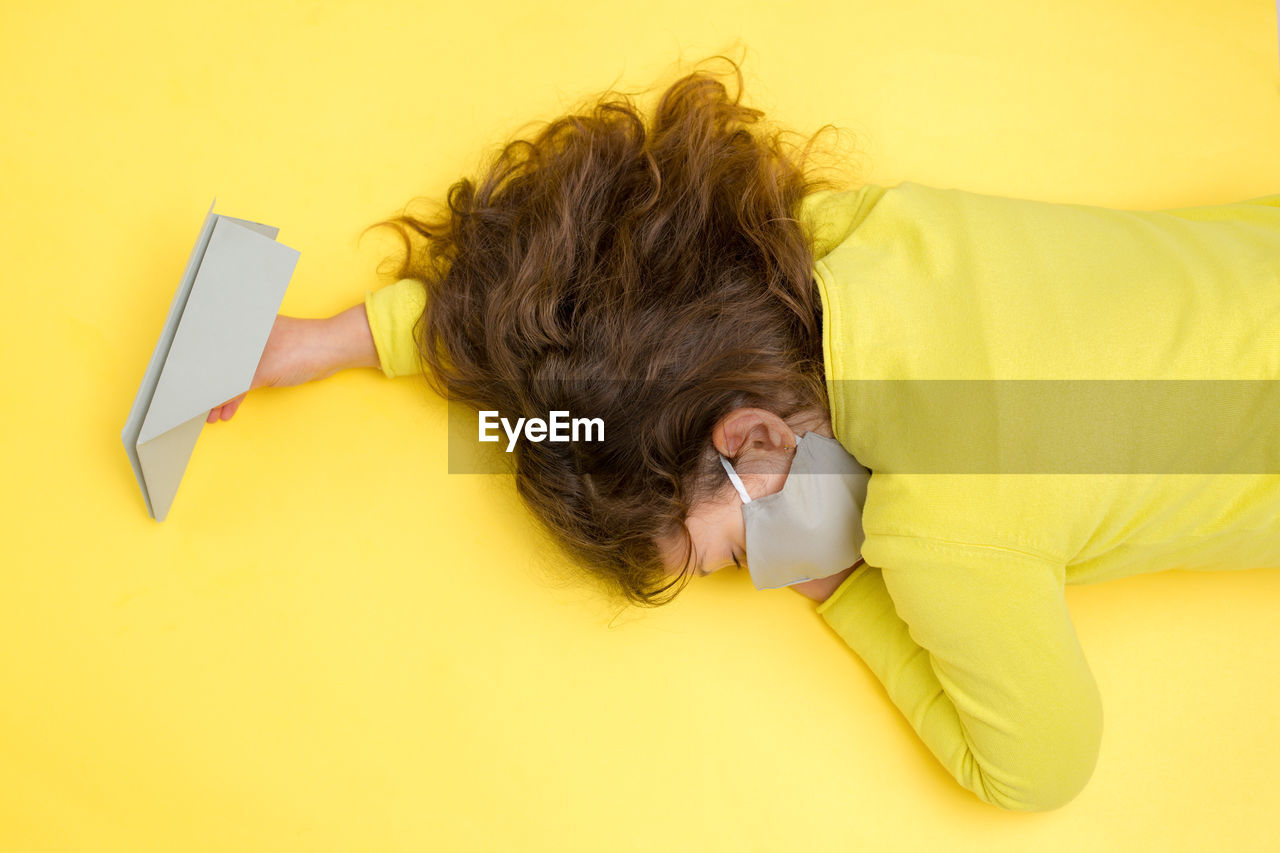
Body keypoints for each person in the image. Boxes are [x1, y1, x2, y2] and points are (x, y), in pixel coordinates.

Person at [205, 54, 1280, 812]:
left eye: (732, 554)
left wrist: (841, 586)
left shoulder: (941, 530)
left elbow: (1039, 770)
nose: (765, 578)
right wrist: (332, 340)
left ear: (756, 440)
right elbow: (609, 317)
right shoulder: (854, 244)